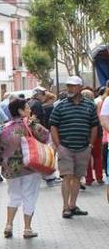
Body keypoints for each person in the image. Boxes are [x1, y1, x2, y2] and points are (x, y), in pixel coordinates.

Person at [0, 98, 51, 238]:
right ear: (21, 111)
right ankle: (27, 228)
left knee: (13, 196)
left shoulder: (5, 127)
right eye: (27, 107)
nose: (29, 110)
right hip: (30, 166)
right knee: (29, 195)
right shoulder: (31, 124)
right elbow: (46, 137)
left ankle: (8, 225)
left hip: (11, 169)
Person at [50, 76, 98, 219]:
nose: (70, 88)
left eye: (73, 86)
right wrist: (58, 145)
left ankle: (73, 205)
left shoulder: (89, 105)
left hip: (83, 147)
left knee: (77, 177)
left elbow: (94, 126)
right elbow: (53, 126)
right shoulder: (60, 106)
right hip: (66, 147)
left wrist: (90, 144)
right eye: (68, 86)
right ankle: (65, 207)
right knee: (67, 176)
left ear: (80, 87)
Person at [87, 88, 106, 185]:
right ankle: (99, 177)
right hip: (97, 133)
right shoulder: (96, 105)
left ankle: (88, 179)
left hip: (85, 135)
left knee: (87, 157)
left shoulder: (81, 107)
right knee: (98, 156)